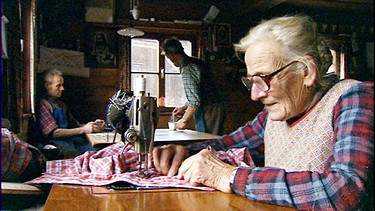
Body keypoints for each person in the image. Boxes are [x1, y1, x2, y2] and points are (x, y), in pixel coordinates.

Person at [152, 15, 374, 210]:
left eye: (263, 79)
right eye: (251, 81)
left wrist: (228, 175)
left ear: (306, 72)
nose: (255, 95)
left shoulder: (354, 98)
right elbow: (228, 144)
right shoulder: (274, 116)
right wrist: (185, 152)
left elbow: (344, 191)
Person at [162, 37, 226, 135]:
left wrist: (183, 120)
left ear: (171, 55)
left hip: (210, 109)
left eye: (167, 57)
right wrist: (183, 108)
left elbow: (195, 101)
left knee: (208, 141)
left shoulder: (188, 68)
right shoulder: (196, 61)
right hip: (215, 106)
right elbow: (198, 93)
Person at [37, 69, 105, 158]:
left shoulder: (61, 105)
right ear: (47, 86)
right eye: (58, 86)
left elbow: (75, 124)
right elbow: (54, 133)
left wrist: (93, 126)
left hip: (69, 140)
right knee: (79, 156)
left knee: (96, 151)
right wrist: (84, 129)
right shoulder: (43, 105)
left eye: (62, 85)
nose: (62, 88)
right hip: (54, 144)